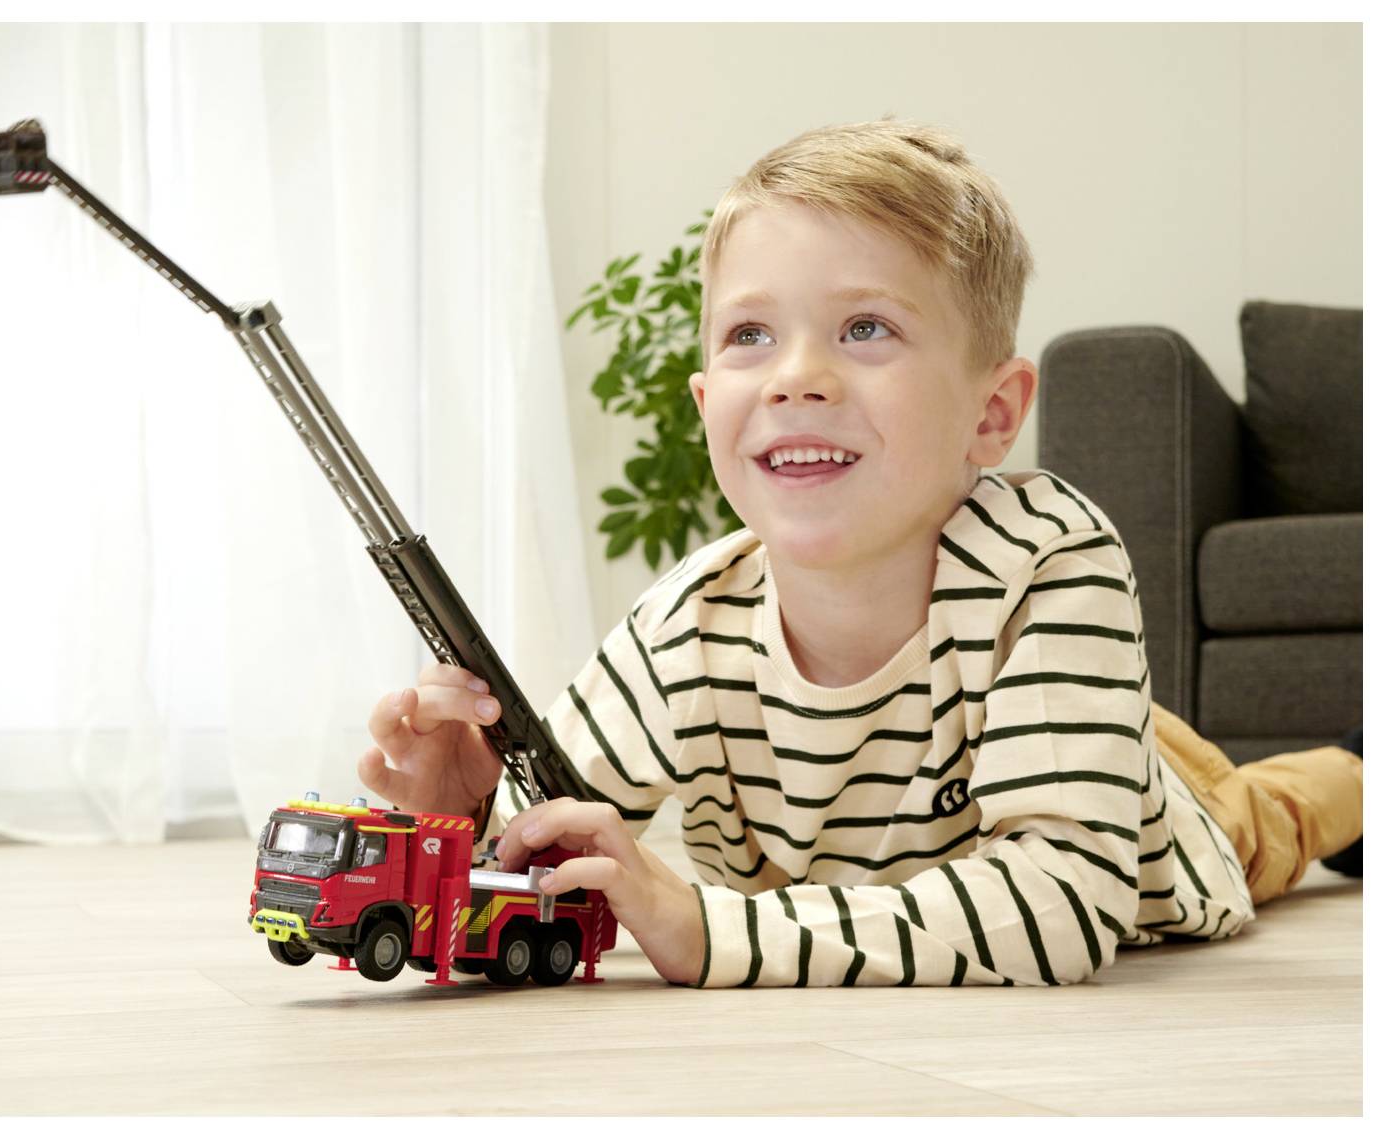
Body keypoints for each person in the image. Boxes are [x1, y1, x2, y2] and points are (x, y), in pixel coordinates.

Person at [356, 119, 1363, 988]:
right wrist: (463, 817)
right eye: (750, 334)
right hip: (1019, 731)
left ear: (991, 414)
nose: (795, 376)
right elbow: (550, 843)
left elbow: (1059, 904)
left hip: (1136, 789)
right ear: (706, 405)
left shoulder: (1048, 566)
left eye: (865, 326)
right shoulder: (684, 627)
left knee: (1266, 811)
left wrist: (708, 928)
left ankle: (1359, 768)